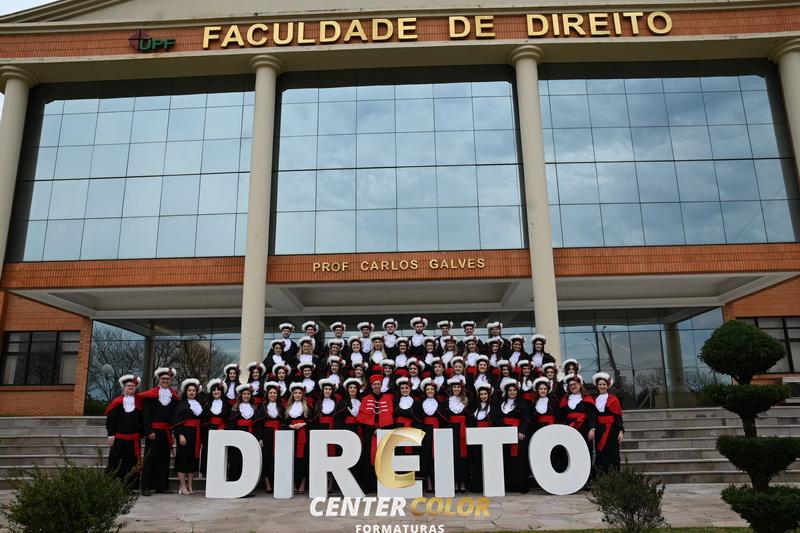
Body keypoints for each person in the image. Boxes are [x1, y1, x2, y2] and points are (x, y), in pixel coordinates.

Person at [139, 367, 178, 496]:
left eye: (168, 379)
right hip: (154, 431)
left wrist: (172, 430)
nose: (165, 381)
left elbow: (174, 415)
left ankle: (162, 486)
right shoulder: (151, 395)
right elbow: (146, 415)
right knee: (150, 459)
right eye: (163, 378)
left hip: (166, 431)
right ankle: (145, 487)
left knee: (164, 459)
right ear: (159, 379)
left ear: (171, 380)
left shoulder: (174, 396)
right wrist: (149, 430)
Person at [357, 374, 395, 492]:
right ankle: (368, 486)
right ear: (372, 385)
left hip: (384, 431)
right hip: (369, 432)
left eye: (379, 384)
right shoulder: (365, 399)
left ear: (381, 385)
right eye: (375, 384)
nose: (377, 386)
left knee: (383, 458)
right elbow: (363, 417)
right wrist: (372, 429)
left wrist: (382, 429)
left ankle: (382, 486)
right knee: (368, 458)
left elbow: (390, 415)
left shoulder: (388, 398)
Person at [105, 374, 142, 488]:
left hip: (133, 440)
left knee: (132, 463)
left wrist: (141, 433)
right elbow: (110, 420)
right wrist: (111, 434)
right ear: (124, 388)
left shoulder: (139, 402)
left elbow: (143, 419)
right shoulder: (117, 402)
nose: (131, 387)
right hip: (119, 439)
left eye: (133, 386)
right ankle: (113, 486)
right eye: (128, 386)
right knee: (116, 462)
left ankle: (131, 486)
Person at [559, 374, 596, 488]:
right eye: (570, 385)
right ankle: (571, 480)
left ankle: (587, 480)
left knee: (585, 454)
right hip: (569, 430)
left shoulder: (587, 399)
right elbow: (561, 417)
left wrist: (592, 429)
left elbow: (592, 416)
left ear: (580, 385)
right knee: (570, 454)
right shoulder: (564, 400)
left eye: (575, 384)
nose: (573, 386)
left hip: (584, 430)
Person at [499, 378, 530, 493]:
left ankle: (521, 486)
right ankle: (509, 485)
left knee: (519, 460)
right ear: (506, 392)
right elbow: (498, 419)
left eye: (514, 390)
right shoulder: (501, 404)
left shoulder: (523, 404)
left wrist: (521, 431)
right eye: (510, 390)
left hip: (518, 436)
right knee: (507, 460)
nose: (512, 392)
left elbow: (527, 419)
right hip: (505, 435)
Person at [172, 378, 203, 495]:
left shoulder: (200, 405)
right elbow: (176, 421)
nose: (191, 392)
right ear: (186, 392)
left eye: (193, 390)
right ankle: (182, 485)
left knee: (192, 461)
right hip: (184, 434)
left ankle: (190, 485)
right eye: (189, 390)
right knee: (182, 460)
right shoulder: (181, 405)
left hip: (196, 435)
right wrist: (180, 435)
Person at [443, 378, 472, 493]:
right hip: (451, 430)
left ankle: (463, 481)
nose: (456, 389)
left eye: (458, 387)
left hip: (463, 430)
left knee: (463, 456)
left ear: (461, 388)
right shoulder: (447, 401)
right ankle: (455, 481)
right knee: (453, 455)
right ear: (451, 388)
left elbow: (470, 417)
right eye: (454, 387)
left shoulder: (466, 400)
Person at [592, 372, 624, 474]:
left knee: (612, 452)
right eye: (600, 384)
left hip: (612, 430)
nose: (602, 386)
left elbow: (618, 417)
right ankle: (601, 474)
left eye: (604, 384)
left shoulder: (613, 399)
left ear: (607, 386)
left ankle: (613, 475)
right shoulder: (594, 400)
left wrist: (621, 431)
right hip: (599, 430)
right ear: (597, 386)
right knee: (600, 452)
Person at [469, 382, 497, 492]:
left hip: (489, 438)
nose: (483, 396)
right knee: (477, 461)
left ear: (488, 395)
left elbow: (496, 423)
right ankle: (478, 486)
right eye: (481, 394)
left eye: (485, 394)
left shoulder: (493, 409)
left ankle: (491, 484)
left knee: (489, 461)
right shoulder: (475, 408)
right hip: (477, 438)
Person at [227, 384, 257, 487]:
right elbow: (231, 422)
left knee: (249, 459)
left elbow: (257, 423)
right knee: (236, 458)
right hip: (238, 435)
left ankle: (247, 484)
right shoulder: (235, 407)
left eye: (248, 394)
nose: (246, 395)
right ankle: (234, 481)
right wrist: (233, 436)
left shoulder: (255, 408)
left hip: (251, 434)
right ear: (241, 395)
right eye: (244, 393)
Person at [419, 378, 444, 492]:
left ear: (435, 391)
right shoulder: (421, 404)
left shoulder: (440, 403)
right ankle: (428, 480)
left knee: (438, 455)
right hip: (426, 431)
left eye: (432, 389)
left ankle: (438, 480)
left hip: (437, 430)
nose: (430, 391)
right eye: (428, 389)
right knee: (427, 455)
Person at [286, 382, 312, 494]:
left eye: (299, 393)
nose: (297, 395)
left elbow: (312, 421)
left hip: (303, 435)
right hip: (291, 435)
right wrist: (291, 426)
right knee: (291, 459)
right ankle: (292, 482)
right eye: (295, 393)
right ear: (292, 394)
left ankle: (302, 483)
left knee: (303, 459)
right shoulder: (287, 408)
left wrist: (303, 424)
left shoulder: (307, 407)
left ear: (302, 395)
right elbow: (283, 422)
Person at [258, 381, 284, 493]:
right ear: (267, 394)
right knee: (267, 457)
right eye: (270, 393)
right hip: (266, 434)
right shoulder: (263, 407)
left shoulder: (281, 407)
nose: (272, 394)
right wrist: (260, 438)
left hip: (279, 434)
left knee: (278, 458)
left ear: (277, 394)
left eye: (274, 393)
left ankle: (278, 482)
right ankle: (267, 483)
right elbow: (258, 424)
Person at [200, 378, 229, 478]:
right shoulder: (207, 404)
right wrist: (207, 428)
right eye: (214, 390)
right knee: (209, 452)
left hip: (223, 431)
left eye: (218, 390)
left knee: (221, 453)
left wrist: (224, 428)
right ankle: (208, 473)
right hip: (209, 432)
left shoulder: (227, 404)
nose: (216, 392)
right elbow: (203, 419)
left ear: (222, 391)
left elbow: (229, 419)